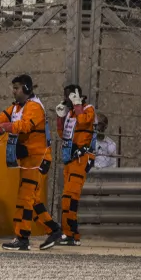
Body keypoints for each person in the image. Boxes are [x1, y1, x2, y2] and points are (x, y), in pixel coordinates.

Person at [0, 74, 62, 251]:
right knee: (33, 199)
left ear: (27, 89)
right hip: (29, 160)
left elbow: (24, 126)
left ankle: (23, 238)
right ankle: (54, 230)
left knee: (25, 198)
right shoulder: (16, 107)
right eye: (13, 88)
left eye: (16, 88)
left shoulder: (34, 107)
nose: (13, 91)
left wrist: (4, 127)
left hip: (38, 160)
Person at [56, 84, 97, 247]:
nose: (66, 99)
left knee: (71, 196)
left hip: (82, 157)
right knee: (66, 197)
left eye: (68, 96)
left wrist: (78, 104)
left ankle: (71, 234)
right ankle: (69, 233)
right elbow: (62, 135)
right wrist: (60, 118)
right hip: (70, 158)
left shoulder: (88, 109)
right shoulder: (71, 112)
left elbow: (83, 121)